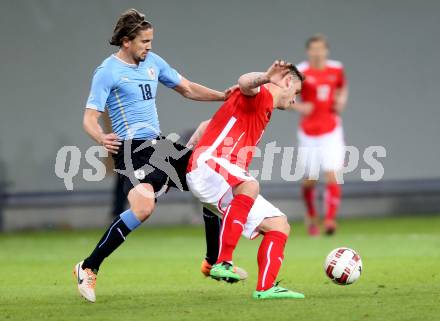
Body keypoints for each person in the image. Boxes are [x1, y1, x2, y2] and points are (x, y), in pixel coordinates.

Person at [73, 8, 237, 303]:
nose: (149, 47)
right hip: (130, 151)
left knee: (211, 183)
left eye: (151, 41)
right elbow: (89, 117)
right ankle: (88, 266)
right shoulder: (107, 71)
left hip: (158, 146)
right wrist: (100, 136)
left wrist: (224, 96)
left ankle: (213, 262)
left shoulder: (153, 62)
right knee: (144, 208)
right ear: (126, 41)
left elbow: (186, 88)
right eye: (144, 41)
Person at [186, 60, 306, 299]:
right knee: (249, 184)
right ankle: (223, 262)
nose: (295, 100)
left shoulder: (263, 108)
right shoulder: (259, 93)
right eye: (297, 93)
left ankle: (266, 288)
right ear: (288, 81)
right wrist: (266, 77)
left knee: (279, 224)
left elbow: (203, 126)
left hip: (218, 175)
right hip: (209, 164)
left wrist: (182, 161)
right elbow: (244, 81)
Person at [295, 34, 349, 236]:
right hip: (309, 132)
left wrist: (341, 100)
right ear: (308, 51)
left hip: (332, 129)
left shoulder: (336, 68)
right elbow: (286, 97)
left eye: (321, 49)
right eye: (313, 49)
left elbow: (342, 88)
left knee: (332, 174)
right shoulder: (301, 71)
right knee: (310, 179)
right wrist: (300, 106)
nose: (317, 52)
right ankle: (311, 217)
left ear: (326, 50)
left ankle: (329, 221)